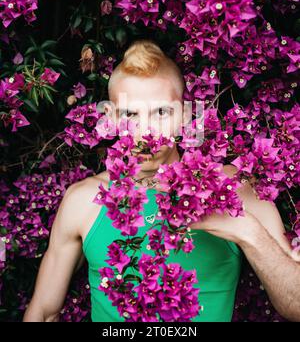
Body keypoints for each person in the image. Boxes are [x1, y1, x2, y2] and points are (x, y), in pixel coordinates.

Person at [23, 40, 300, 322]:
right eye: (130, 114)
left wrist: (249, 233)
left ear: (185, 114)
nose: (146, 131)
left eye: (161, 112)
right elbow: (44, 312)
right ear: (110, 118)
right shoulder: (82, 201)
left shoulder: (232, 188)